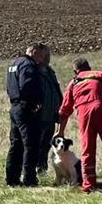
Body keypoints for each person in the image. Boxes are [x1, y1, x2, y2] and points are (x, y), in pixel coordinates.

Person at [57, 58, 102, 193]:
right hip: (101, 109)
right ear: (89, 67)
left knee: (87, 149)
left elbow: (64, 110)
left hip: (83, 114)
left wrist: (60, 131)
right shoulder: (101, 74)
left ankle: (89, 184)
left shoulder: (73, 83)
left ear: (75, 71)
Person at [5, 43, 46, 187]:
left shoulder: (14, 64)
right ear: (34, 52)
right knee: (31, 144)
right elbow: (27, 85)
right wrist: (34, 104)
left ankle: (12, 179)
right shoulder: (28, 65)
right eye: (41, 55)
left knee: (16, 144)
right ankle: (29, 179)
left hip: (15, 107)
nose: (42, 59)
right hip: (26, 109)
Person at [36, 46, 64, 176]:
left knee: (46, 144)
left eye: (48, 55)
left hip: (50, 115)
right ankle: (33, 169)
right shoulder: (33, 71)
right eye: (44, 55)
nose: (47, 58)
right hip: (38, 115)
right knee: (36, 144)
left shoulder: (50, 72)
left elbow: (56, 91)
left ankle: (42, 168)